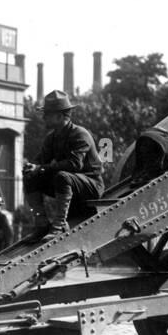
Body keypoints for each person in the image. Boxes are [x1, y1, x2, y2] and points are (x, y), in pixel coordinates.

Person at [21, 90, 104, 244]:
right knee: (31, 177)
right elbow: (41, 162)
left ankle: (59, 226)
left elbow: (74, 164)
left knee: (62, 176)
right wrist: (32, 167)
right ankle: (42, 225)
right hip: (68, 184)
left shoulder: (80, 134)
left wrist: (40, 168)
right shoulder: (52, 138)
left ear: (60, 116)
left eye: (47, 114)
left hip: (91, 186)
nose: (43, 117)